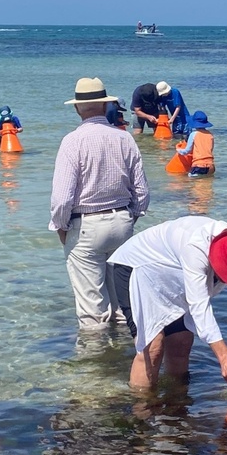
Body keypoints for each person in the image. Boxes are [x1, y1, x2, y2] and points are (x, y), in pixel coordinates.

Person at [108, 216, 227, 389]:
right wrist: (225, 358)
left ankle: (176, 406)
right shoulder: (195, 247)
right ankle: (142, 411)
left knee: (182, 342)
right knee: (153, 348)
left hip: (173, 275)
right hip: (139, 268)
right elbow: (200, 308)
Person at [50, 78, 150, 330]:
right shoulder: (125, 139)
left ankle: (95, 367)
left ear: (76, 108)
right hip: (122, 222)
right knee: (122, 304)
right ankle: (125, 360)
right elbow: (141, 192)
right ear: (106, 106)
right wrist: (129, 218)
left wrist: (61, 228)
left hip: (86, 225)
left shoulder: (72, 141)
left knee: (92, 312)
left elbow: (62, 198)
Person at [177, 111, 215, 176]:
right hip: (211, 166)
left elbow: (187, 151)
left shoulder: (193, 134)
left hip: (199, 165)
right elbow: (208, 150)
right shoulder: (210, 135)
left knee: (191, 182)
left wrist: (178, 149)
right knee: (207, 184)